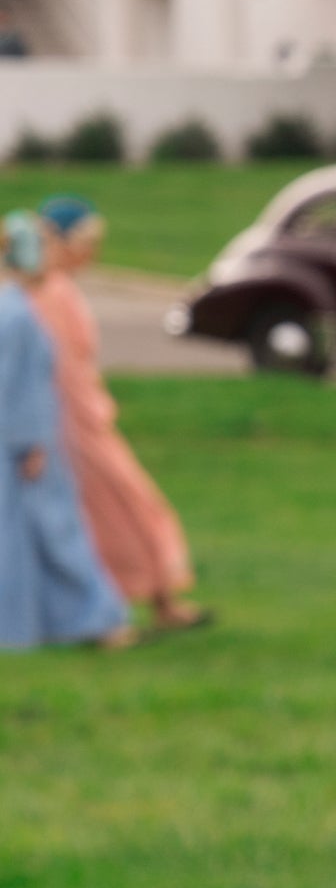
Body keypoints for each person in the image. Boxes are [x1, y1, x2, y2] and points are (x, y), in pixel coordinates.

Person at [31, 197, 207, 633]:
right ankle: (127, 608)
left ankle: (154, 601)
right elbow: (54, 371)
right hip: (72, 426)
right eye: (88, 242)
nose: (94, 252)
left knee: (126, 508)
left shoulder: (57, 290)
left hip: (84, 420)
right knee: (123, 509)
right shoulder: (48, 293)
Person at [0, 212, 129, 650]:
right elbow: (17, 386)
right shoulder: (14, 311)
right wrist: (30, 441)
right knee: (54, 534)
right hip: (22, 447)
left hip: (22, 442)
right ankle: (94, 621)